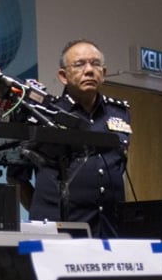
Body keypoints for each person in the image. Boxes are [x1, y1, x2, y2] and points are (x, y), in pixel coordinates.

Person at [24, 40, 132, 237]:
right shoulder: (45, 114)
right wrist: (45, 216)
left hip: (108, 229)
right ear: (63, 76)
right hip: (58, 231)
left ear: (104, 73)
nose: (89, 70)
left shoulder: (119, 112)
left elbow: (119, 165)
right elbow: (18, 177)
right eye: (80, 64)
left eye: (95, 64)